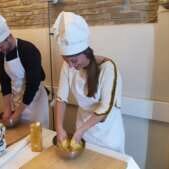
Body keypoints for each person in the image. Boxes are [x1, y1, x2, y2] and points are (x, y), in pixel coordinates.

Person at [53, 11, 125, 153]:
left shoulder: (109, 69)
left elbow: (105, 108)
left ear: (86, 53)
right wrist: (59, 128)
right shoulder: (68, 65)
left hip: (107, 135)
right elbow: (61, 98)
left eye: (74, 60)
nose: (71, 66)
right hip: (84, 131)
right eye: (66, 60)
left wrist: (79, 131)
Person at [0, 11, 49, 128]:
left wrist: (16, 114)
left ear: (8, 37)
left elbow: (32, 86)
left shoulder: (28, 50)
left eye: (0, 46)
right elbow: (4, 80)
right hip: (17, 100)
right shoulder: (0, 53)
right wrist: (7, 109)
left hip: (35, 100)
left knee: (38, 136)